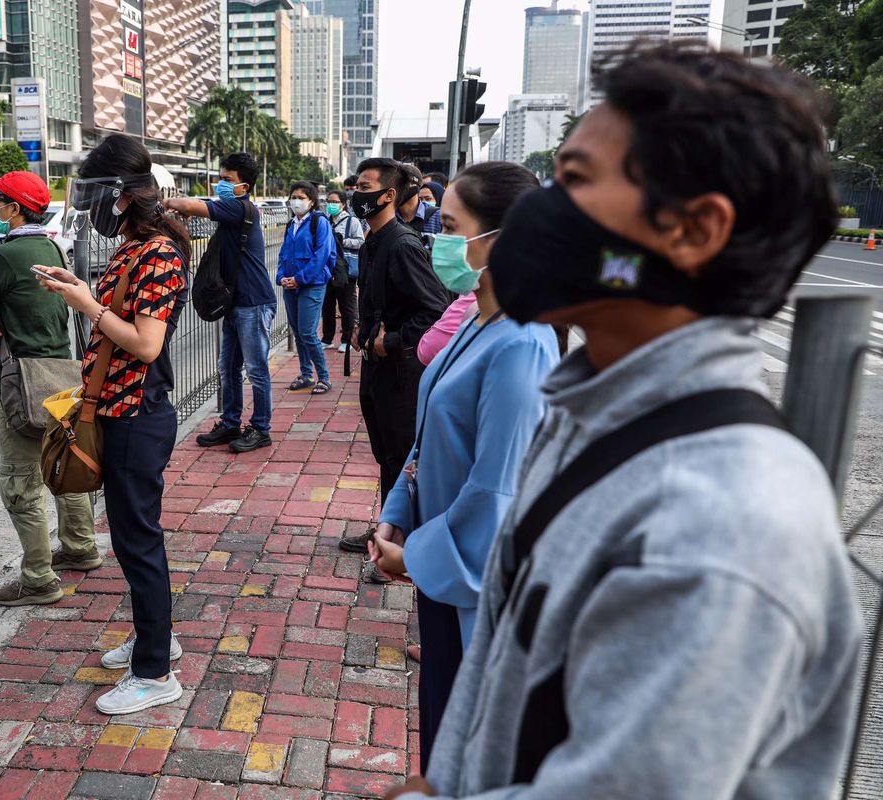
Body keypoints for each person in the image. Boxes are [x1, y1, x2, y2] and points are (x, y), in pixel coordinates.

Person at [387, 43, 861, 799]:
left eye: (573, 182)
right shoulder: (591, 414)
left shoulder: (714, 521)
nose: (538, 213)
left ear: (693, 230)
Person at [366, 162, 558, 773]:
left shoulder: (522, 342)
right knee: (443, 727)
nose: (436, 242)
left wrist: (417, 557)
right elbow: (429, 437)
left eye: (449, 227)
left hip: (473, 578)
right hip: (443, 560)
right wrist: (397, 514)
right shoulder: (478, 315)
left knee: (467, 737)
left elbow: (496, 490)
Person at [35, 134, 190, 716]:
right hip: (118, 410)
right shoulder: (134, 249)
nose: (89, 206)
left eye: (97, 194)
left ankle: (155, 673)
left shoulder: (159, 254)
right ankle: (156, 637)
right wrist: (80, 290)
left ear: (123, 196)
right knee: (131, 539)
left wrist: (88, 307)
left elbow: (147, 345)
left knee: (138, 539)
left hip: (137, 415)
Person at [0, 171, 98, 607]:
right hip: (62, 375)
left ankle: (39, 578)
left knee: (21, 478)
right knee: (63, 462)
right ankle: (80, 547)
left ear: (15, 209)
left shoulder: (7, 255)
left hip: (22, 378)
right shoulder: (51, 246)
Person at [338, 157, 447, 556]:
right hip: (376, 369)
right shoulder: (372, 242)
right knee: (386, 455)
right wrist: (361, 331)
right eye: (356, 186)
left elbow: (434, 310)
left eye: (365, 188)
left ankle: (403, 544)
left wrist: (392, 340)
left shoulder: (401, 244)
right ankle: (388, 531)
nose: (356, 195)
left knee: (401, 458)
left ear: (388, 195)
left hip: (401, 371)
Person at [166, 153, 276, 453]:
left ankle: (261, 429)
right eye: (220, 178)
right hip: (235, 303)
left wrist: (167, 202)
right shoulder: (230, 210)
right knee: (228, 367)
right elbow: (201, 209)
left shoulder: (240, 207)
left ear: (244, 186)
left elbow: (189, 204)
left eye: (227, 180)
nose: (221, 185)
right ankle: (230, 423)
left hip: (253, 303)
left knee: (255, 369)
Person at [278, 180, 335, 394]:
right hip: (290, 285)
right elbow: (284, 254)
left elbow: (321, 255)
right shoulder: (290, 224)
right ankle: (306, 374)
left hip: (312, 284)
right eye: (294, 197)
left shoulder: (319, 222)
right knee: (298, 332)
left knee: (308, 333)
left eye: (301, 198)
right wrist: (281, 277)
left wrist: (300, 279)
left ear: (311, 201)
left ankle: (324, 377)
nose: (296, 201)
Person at [321, 189, 365, 352]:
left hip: (345, 269)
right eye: (329, 202)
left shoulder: (351, 222)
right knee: (327, 305)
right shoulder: (324, 220)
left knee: (347, 306)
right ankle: (327, 338)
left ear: (343, 204)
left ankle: (347, 339)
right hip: (327, 269)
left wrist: (341, 241)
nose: (331, 205)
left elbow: (361, 242)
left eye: (335, 202)